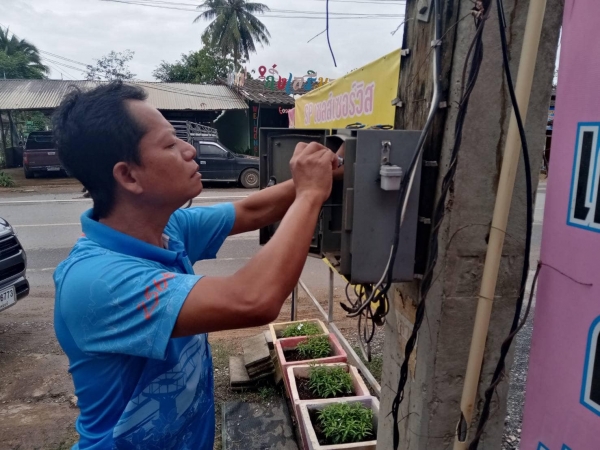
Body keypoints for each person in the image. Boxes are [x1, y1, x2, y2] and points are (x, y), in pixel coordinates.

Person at [51, 81, 339, 449]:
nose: (190, 150)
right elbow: (254, 298)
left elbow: (253, 209)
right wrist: (311, 194)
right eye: (170, 144)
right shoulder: (97, 282)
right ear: (128, 176)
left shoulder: (166, 228)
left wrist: (328, 171)